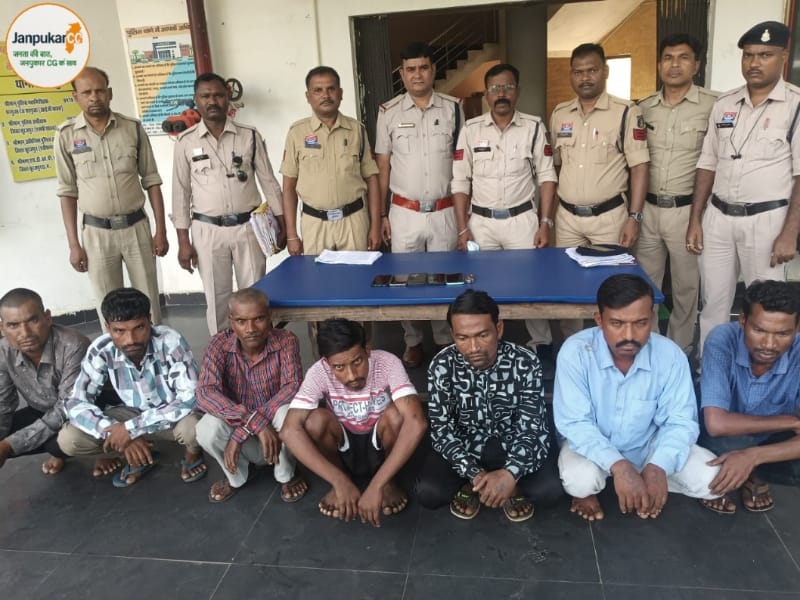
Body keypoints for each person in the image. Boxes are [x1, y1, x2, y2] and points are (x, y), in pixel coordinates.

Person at [554, 274, 719, 521]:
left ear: (652, 318)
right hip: (593, 445)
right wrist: (619, 465)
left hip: (648, 444)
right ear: (599, 320)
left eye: (641, 323)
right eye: (617, 323)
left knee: (713, 480)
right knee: (580, 481)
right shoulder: (576, 352)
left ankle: (645, 480)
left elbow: (681, 421)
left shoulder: (670, 355)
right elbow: (575, 423)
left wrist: (658, 466)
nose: (629, 335)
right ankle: (605, 486)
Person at [687, 21, 800, 357]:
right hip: (718, 217)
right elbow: (707, 163)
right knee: (713, 304)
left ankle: (760, 374)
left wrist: (790, 233)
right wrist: (696, 219)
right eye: (748, 55)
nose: (754, 62)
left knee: (766, 309)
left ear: (782, 57)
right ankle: (711, 370)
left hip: (767, 221)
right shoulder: (725, 103)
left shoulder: (795, 105)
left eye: (765, 55)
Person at [416, 289, 562, 522]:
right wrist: (474, 474)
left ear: (499, 328)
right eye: (462, 338)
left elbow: (531, 426)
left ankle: (508, 485)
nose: (473, 347)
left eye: (482, 335)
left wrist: (510, 473)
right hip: (466, 445)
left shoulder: (525, 362)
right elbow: (442, 430)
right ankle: (476, 485)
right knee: (429, 492)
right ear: (452, 334)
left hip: (513, 443)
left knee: (550, 491)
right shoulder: (442, 365)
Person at [451, 63, 557, 375]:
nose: (501, 94)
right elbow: (460, 182)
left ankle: (541, 343)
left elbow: (547, 177)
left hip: (522, 220)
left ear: (517, 91)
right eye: (495, 88)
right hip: (481, 223)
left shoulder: (533, 127)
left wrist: (545, 223)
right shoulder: (471, 130)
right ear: (486, 94)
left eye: (508, 87)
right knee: (481, 287)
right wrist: (462, 228)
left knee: (532, 285)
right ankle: (486, 346)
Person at [280, 318, 427, 527]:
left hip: (381, 444)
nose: (351, 375)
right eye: (339, 367)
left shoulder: (388, 363)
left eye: (357, 362)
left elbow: (417, 422)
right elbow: (289, 431)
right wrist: (338, 480)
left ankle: (388, 481)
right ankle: (341, 480)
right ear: (327, 363)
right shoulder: (318, 372)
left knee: (397, 415)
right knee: (315, 421)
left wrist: (377, 486)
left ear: (367, 350)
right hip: (343, 446)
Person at [172, 72, 285, 335]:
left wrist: (283, 225)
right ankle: (221, 352)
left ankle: (259, 351)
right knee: (217, 298)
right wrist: (183, 241)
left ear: (228, 98)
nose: (212, 101)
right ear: (196, 100)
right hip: (207, 231)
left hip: (248, 229)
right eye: (205, 96)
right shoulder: (186, 141)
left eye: (218, 95)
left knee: (255, 295)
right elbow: (180, 193)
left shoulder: (249, 136)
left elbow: (269, 182)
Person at [58, 288, 206, 488]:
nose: (131, 340)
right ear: (107, 327)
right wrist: (116, 433)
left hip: (172, 417)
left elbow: (190, 398)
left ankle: (193, 453)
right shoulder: (102, 349)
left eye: (139, 327)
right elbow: (75, 402)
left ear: (150, 320)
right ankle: (137, 454)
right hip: (132, 413)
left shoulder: (170, 341)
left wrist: (130, 429)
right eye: (119, 331)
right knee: (69, 439)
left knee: (193, 429)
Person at [551, 44, 650, 338]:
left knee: (613, 290)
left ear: (605, 71)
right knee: (567, 288)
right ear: (571, 74)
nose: (585, 78)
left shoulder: (625, 112)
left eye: (592, 70)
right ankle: (573, 347)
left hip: (609, 218)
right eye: (578, 72)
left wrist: (634, 216)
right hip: (568, 218)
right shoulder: (560, 113)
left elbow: (639, 167)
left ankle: (611, 346)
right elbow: (555, 166)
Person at [55, 66, 167, 325]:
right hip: (96, 234)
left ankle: (155, 348)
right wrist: (74, 245)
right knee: (107, 304)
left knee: (148, 300)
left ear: (110, 93)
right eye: (86, 92)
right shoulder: (66, 135)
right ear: (76, 97)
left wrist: (160, 231)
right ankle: (113, 350)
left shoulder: (132, 128)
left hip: (136, 228)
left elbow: (152, 180)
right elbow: (67, 192)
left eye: (100, 91)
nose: (94, 97)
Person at [376, 42, 464, 368]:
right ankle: (412, 341)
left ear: (433, 70)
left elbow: (462, 164)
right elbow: (382, 166)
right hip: (404, 212)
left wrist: (464, 215)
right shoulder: (388, 112)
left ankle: (443, 340)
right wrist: (381, 214)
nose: (417, 74)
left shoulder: (454, 108)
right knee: (404, 281)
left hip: (444, 211)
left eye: (423, 67)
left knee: (444, 279)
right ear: (401, 74)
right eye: (410, 69)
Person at [636, 34, 717, 354]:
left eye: (684, 57)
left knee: (686, 288)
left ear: (696, 65)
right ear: (659, 65)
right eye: (668, 58)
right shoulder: (643, 108)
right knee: (646, 287)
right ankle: (651, 347)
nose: (675, 65)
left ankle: (680, 351)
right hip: (648, 210)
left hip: (687, 211)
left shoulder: (714, 105)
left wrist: (699, 215)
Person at [195, 288, 308, 503]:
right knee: (205, 429)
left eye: (259, 319)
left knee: (288, 414)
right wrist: (252, 421)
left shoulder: (286, 340)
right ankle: (236, 475)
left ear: (270, 317)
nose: (251, 329)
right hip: (240, 426)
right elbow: (205, 392)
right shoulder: (218, 344)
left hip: (271, 430)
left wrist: (246, 429)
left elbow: (293, 386)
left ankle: (286, 474)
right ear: (231, 321)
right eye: (241, 321)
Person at [699, 280, 800, 514]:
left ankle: (754, 473)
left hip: (766, 437)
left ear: (796, 329)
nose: (769, 344)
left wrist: (753, 456)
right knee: (720, 441)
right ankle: (725, 473)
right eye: (759, 330)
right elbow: (716, 424)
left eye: (783, 333)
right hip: (721, 433)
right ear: (742, 321)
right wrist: (791, 422)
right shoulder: (722, 339)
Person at [280, 66, 382, 257]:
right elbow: (288, 187)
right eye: (318, 90)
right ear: (308, 96)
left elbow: (372, 179)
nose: (325, 95)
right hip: (315, 223)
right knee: (317, 275)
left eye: (331, 89)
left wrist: (375, 226)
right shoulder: (297, 133)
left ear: (340, 93)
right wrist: (291, 234)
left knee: (356, 274)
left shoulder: (357, 130)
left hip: (353, 221)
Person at [0, 289, 89, 476]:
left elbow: (68, 407)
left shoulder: (73, 345)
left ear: (48, 318)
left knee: (58, 443)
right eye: (13, 325)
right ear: (2, 328)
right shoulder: (3, 350)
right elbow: (3, 403)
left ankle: (101, 450)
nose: (25, 333)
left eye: (33, 321)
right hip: (43, 410)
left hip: (85, 411)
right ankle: (63, 451)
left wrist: (8, 445)